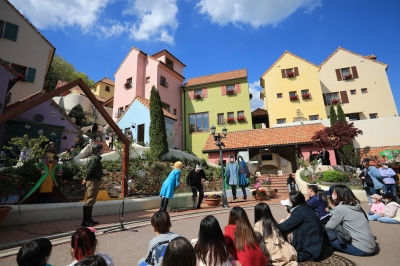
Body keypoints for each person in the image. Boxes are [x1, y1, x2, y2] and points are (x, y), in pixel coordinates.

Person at [325, 185, 375, 256]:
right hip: (370, 246)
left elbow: (328, 226)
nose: (332, 195)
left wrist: (333, 207)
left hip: (361, 249)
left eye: (334, 193)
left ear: (340, 195)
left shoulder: (340, 208)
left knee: (323, 235)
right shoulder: (356, 205)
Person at [279, 191, 323, 262]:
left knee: (282, 225)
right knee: (284, 222)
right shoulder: (305, 208)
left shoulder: (299, 212)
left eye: (289, 200)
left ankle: (285, 249)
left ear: (293, 201)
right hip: (314, 242)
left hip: (309, 245)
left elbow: (283, 227)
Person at [81, 144, 103, 227]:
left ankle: (89, 219)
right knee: (90, 200)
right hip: (92, 181)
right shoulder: (94, 158)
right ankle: (85, 221)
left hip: (95, 180)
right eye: (101, 149)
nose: (102, 150)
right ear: (98, 150)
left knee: (92, 200)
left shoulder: (96, 158)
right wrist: (85, 178)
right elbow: (90, 169)